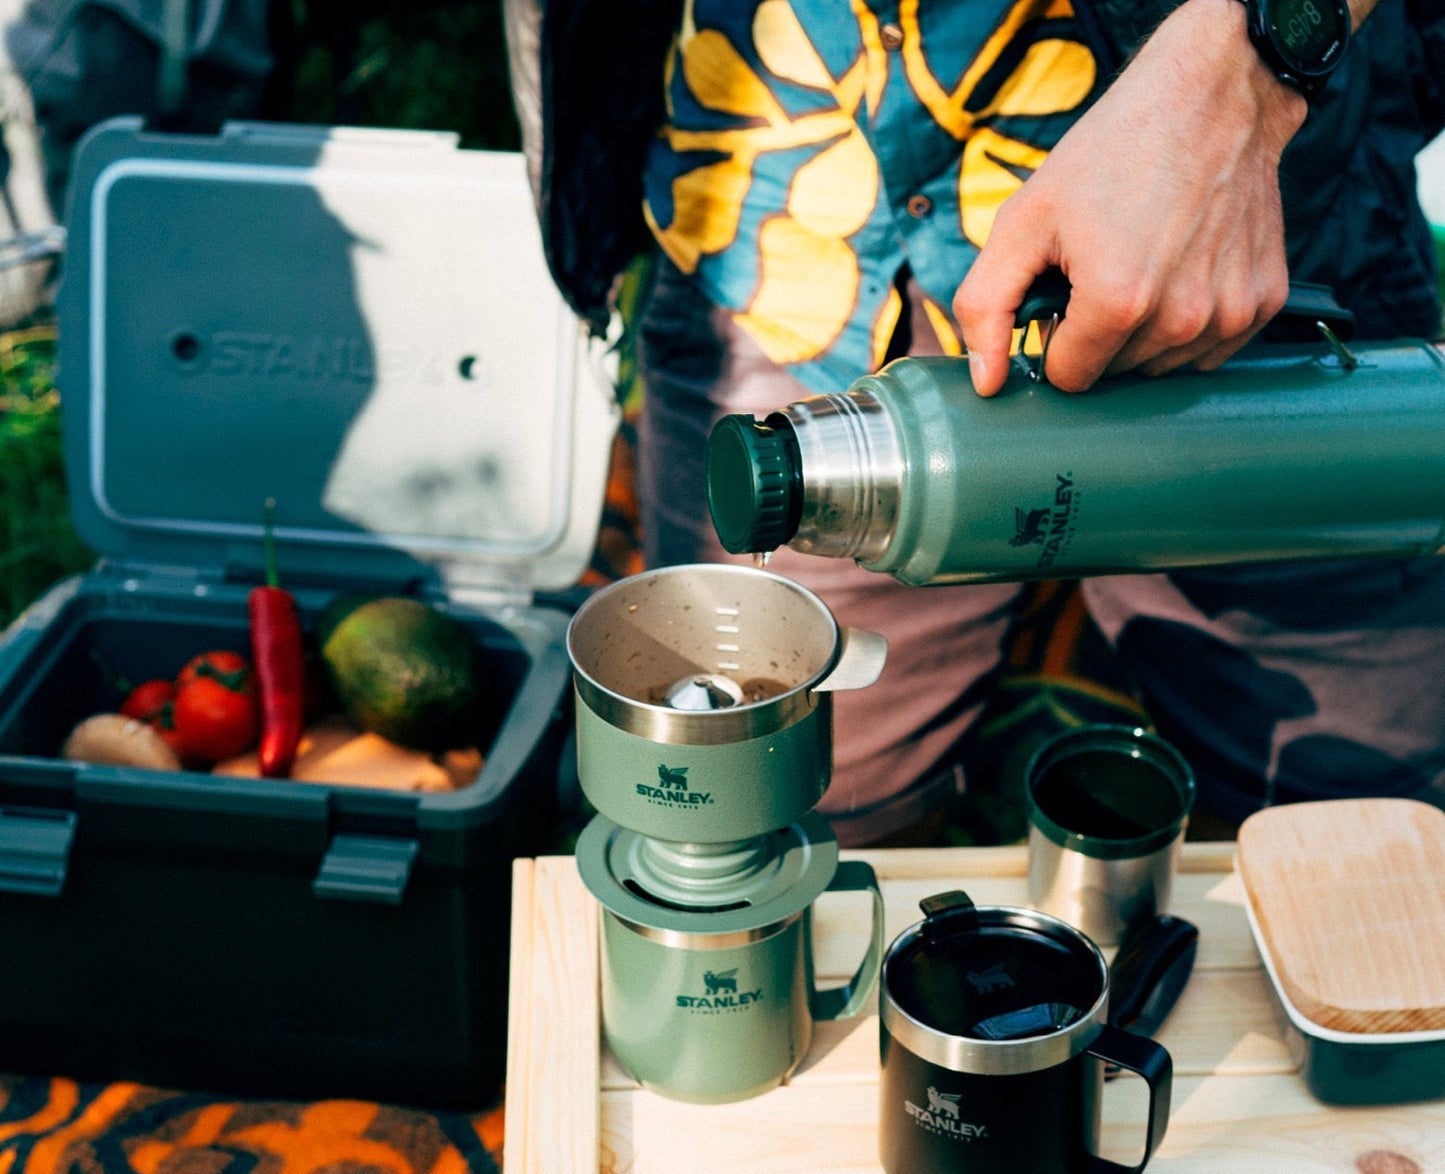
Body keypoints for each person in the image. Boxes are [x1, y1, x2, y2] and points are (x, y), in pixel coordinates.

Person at [505, 0, 1445, 845]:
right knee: (768, 815)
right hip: (796, 228)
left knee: (1360, 821)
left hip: (1236, 240)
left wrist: (1248, 65)